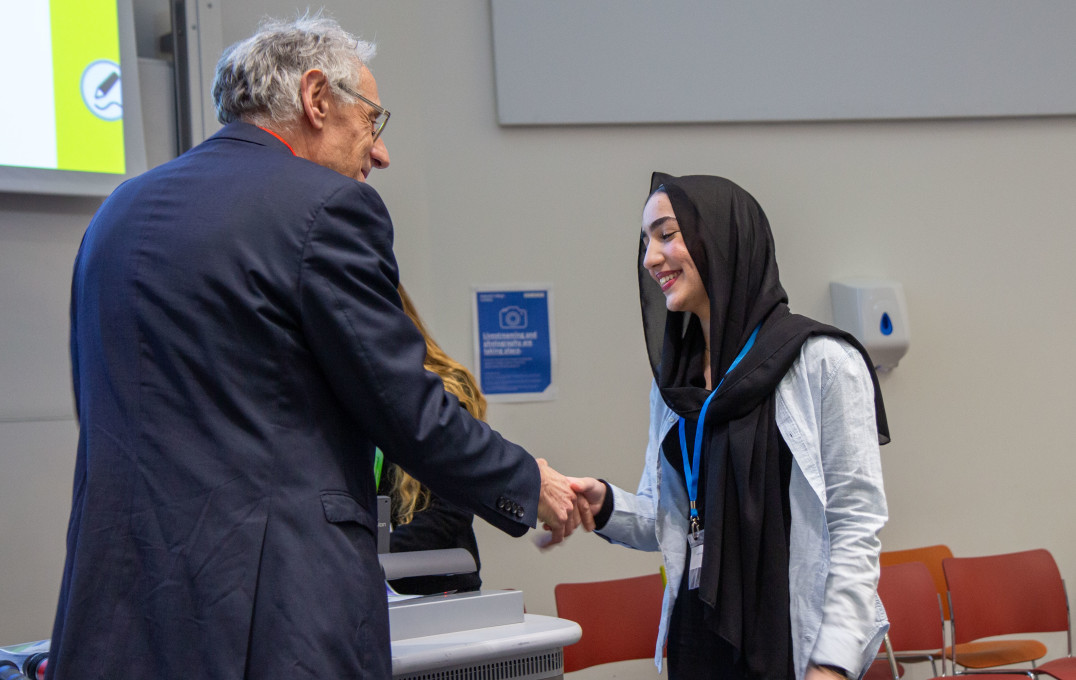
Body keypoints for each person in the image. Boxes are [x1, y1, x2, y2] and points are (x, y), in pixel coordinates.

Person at [47, 14, 582, 680]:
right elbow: (405, 408)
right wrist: (531, 483)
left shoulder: (115, 216)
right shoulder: (326, 207)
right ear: (316, 98)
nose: (379, 152)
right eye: (372, 120)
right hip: (272, 624)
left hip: (118, 619)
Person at [570, 174, 890, 680]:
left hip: (788, 648)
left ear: (722, 239)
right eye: (645, 242)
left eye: (667, 234)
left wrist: (832, 663)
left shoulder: (823, 362)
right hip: (698, 640)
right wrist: (604, 504)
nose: (651, 258)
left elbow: (854, 523)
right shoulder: (673, 386)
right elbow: (671, 518)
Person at [379, 285, 486, 595]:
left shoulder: (447, 389)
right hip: (378, 591)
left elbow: (451, 512)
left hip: (440, 587)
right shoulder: (359, 396)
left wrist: (367, 554)